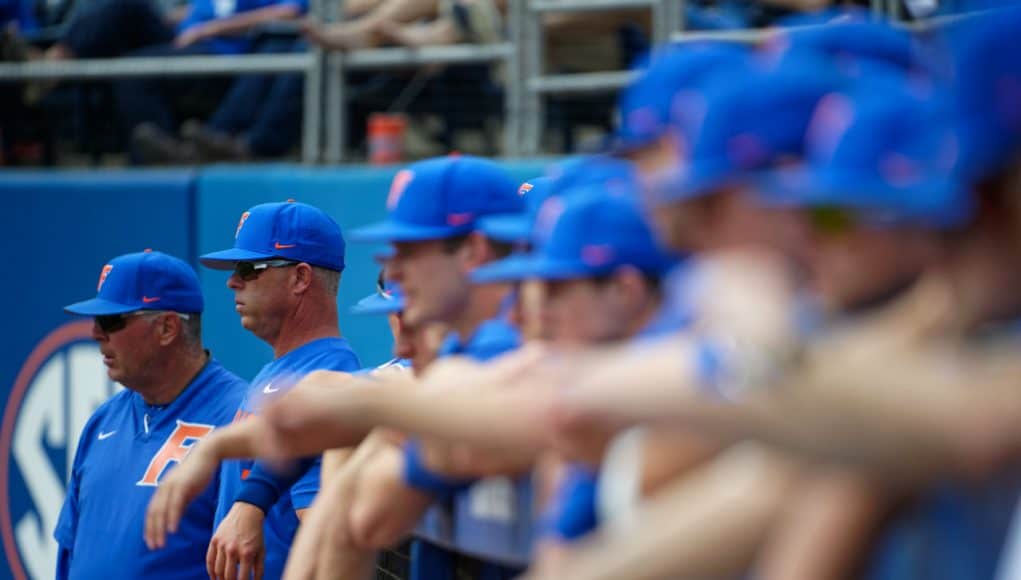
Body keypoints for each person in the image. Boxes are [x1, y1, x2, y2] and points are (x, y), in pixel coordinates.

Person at [145, 200, 361, 580]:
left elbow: (326, 538)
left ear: (300, 278)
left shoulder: (331, 371)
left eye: (249, 268)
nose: (232, 281)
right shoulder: (278, 370)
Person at [55, 250, 247, 578]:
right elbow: (71, 553)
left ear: (167, 328)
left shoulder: (241, 417)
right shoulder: (103, 421)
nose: (96, 334)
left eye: (112, 321)